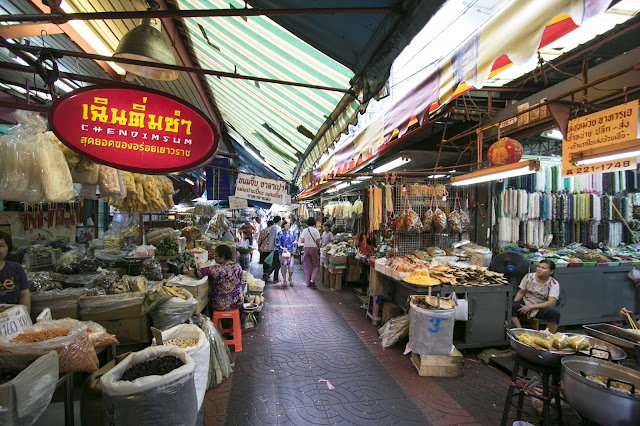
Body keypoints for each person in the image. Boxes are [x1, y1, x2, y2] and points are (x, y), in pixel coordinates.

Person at [511, 259, 561, 333]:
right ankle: (521, 331)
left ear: (551, 272)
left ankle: (548, 336)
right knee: (510, 305)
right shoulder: (528, 277)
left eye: (543, 268)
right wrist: (515, 304)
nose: (539, 269)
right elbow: (521, 292)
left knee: (555, 313)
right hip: (526, 302)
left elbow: (551, 302)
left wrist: (530, 307)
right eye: (538, 267)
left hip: (540, 307)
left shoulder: (553, 283)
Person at [198, 245, 243, 312]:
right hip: (237, 303)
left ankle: (214, 320)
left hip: (219, 306)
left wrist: (185, 270)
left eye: (215, 256)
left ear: (222, 257)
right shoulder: (238, 267)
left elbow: (198, 273)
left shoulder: (216, 269)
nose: (214, 258)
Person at [0, 232, 30, 312]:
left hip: (12, 317)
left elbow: (24, 295)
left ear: (8, 247)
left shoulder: (16, 268)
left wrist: (25, 317)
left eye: (1, 246)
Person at [299, 217, 321, 289]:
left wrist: (307, 240)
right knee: (315, 265)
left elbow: (302, 240)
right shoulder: (316, 230)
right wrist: (318, 248)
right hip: (314, 248)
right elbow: (318, 241)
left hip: (306, 248)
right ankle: (312, 279)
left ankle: (307, 282)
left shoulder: (305, 230)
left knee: (307, 265)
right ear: (314, 223)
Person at [275, 221, 296, 287]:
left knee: (291, 266)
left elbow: (295, 240)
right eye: (286, 225)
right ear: (283, 226)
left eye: (288, 225)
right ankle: (284, 280)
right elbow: (277, 243)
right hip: (282, 253)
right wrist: (282, 248)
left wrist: (295, 242)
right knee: (283, 267)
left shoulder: (292, 232)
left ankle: (290, 278)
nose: (287, 227)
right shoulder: (280, 233)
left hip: (291, 252)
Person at [263, 215, 281, 283]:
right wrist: (275, 246)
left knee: (274, 262)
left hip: (270, 247)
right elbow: (277, 237)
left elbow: (269, 236)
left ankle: (267, 273)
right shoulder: (278, 228)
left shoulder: (271, 227)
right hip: (276, 247)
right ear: (279, 221)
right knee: (277, 264)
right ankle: (275, 278)